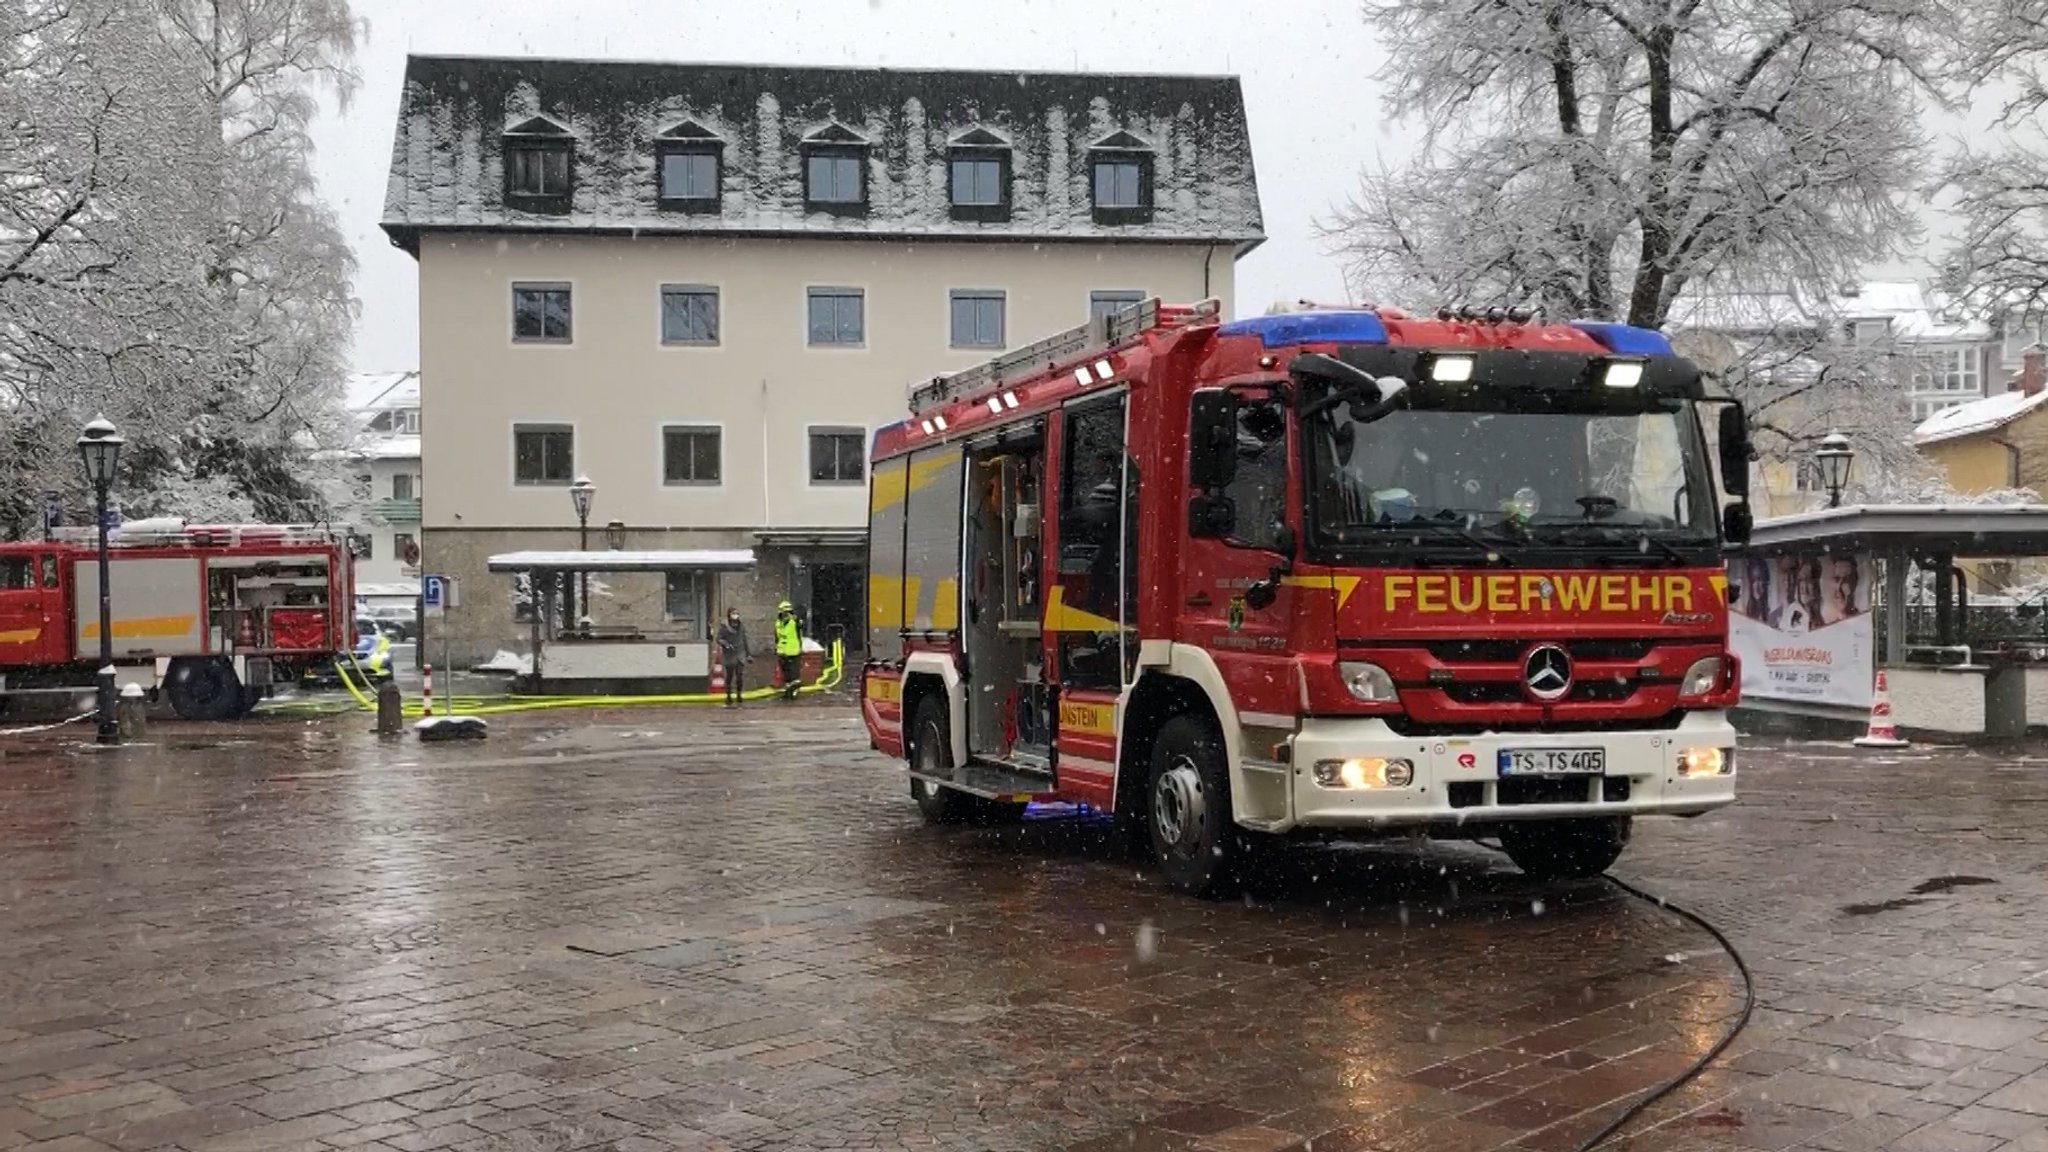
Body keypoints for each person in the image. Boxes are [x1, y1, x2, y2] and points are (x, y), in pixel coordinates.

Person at [715, 608, 751, 707]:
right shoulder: (724, 627)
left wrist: (748, 654)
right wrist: (725, 644)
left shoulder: (741, 626)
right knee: (729, 676)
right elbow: (718, 638)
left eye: (736, 613)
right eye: (733, 613)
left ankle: (739, 695)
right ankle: (729, 696)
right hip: (729, 654)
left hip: (740, 653)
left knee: (739, 675)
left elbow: (744, 639)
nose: (735, 615)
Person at [774, 601, 803, 700]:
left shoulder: (794, 621)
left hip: (793, 651)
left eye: (788, 612)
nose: (786, 614)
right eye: (785, 612)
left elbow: (800, 629)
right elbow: (777, 637)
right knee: (786, 675)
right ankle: (787, 692)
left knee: (793, 674)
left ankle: (793, 692)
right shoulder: (778, 622)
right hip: (782, 652)